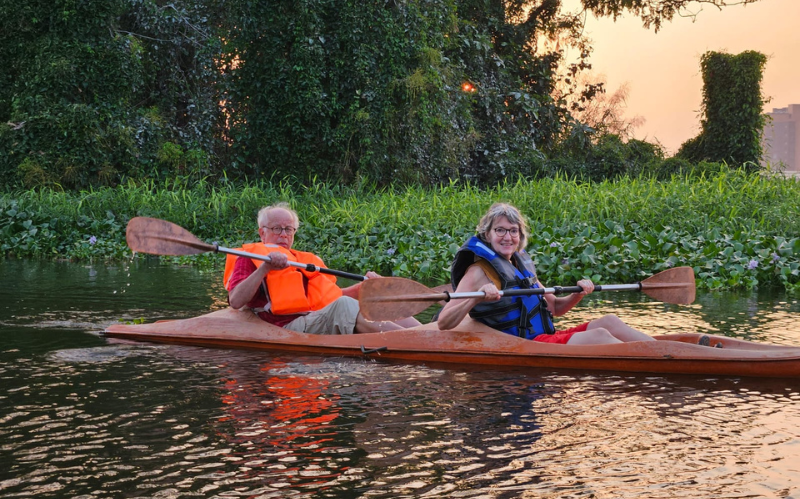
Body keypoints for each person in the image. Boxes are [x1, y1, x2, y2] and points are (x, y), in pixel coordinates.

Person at [437, 202, 654, 345]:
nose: (507, 237)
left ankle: (662, 351)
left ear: (519, 235)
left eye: (513, 231)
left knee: (609, 322)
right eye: (500, 230)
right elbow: (444, 322)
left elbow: (555, 307)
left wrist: (578, 293)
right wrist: (475, 299)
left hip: (545, 337)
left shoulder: (520, 267)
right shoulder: (477, 272)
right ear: (487, 235)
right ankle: (660, 360)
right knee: (599, 336)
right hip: (525, 344)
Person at [224, 203, 419, 334]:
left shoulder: (303, 259)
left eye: (288, 229)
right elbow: (236, 300)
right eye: (276, 228)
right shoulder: (251, 257)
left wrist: (363, 290)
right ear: (262, 232)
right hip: (285, 327)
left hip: (313, 318)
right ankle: (411, 341)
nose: (283, 234)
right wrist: (264, 268)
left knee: (370, 298)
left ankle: (425, 333)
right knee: (344, 305)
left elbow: (328, 298)